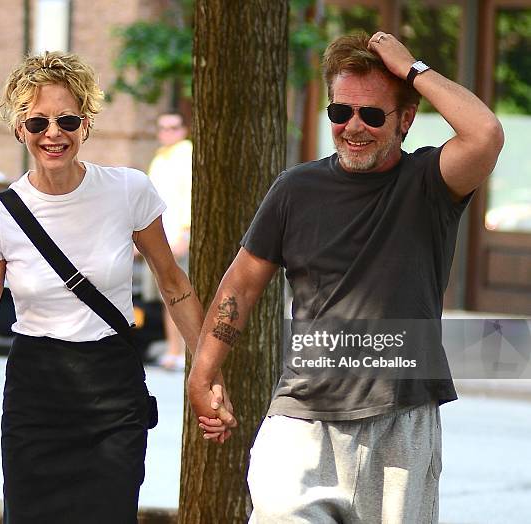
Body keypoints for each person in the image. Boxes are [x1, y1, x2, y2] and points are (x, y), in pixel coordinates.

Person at [187, 31, 503, 523]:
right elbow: (241, 283)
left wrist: (411, 68)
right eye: (341, 112)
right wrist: (204, 370)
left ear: (405, 120)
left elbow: (485, 133)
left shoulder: (431, 183)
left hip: (401, 422)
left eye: (373, 114)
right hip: (302, 419)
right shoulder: (296, 189)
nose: (354, 127)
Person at [0, 50, 230, 523]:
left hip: (113, 390)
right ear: (19, 128)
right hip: (37, 393)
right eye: (38, 123)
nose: (53, 133)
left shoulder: (128, 191)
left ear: (86, 123)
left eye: (67, 119)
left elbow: (175, 287)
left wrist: (209, 376)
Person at [143, 111, 192, 370]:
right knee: (168, 295)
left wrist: (185, 232)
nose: (168, 132)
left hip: (180, 236)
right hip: (163, 236)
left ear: (184, 130)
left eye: (174, 127)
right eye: (163, 128)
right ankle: (174, 350)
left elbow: (189, 197)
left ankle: (183, 351)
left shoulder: (186, 154)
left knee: (180, 293)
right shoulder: (160, 157)